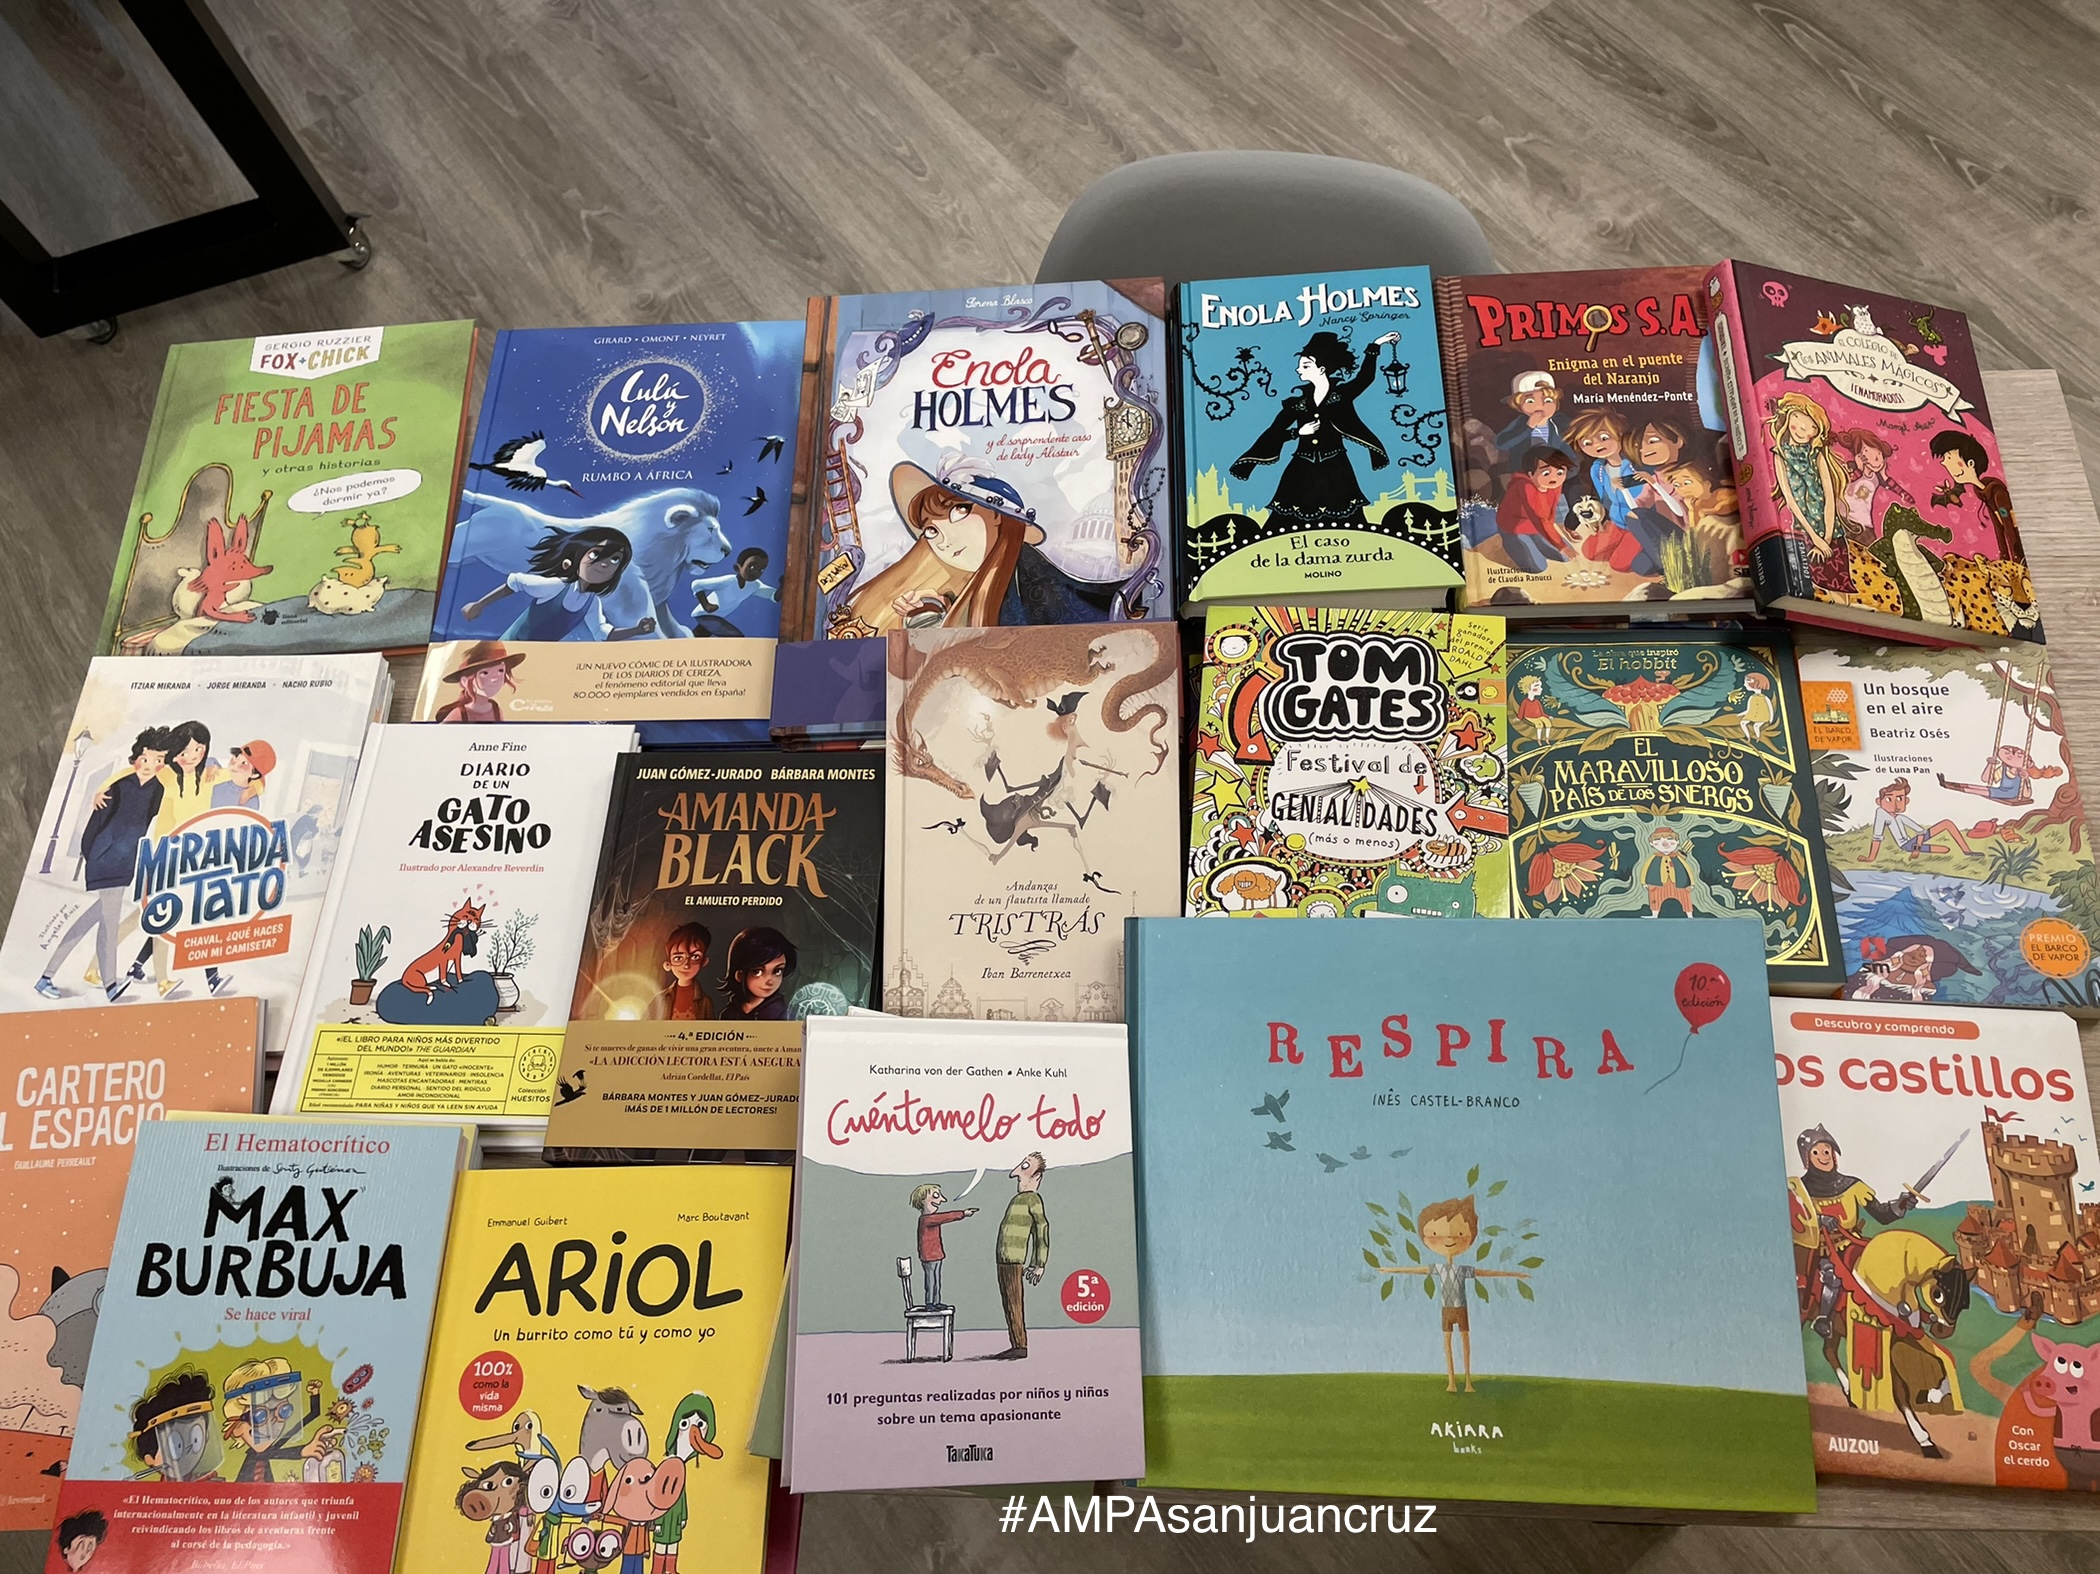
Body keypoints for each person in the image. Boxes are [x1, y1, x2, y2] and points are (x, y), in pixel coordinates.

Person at [834, 459, 1119, 634]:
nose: (944, 540)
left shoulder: (1034, 584)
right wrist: (929, 615)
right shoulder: (975, 589)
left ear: (997, 516)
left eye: (958, 512)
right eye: (931, 530)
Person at [36, 728, 168, 1002]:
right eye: (145, 759)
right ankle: (111, 986)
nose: (150, 765)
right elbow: (94, 824)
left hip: (125, 863)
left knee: (91, 920)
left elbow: (148, 821)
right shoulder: (118, 787)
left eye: (158, 760)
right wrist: (93, 855)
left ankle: (46, 977)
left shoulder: (158, 790)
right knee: (109, 923)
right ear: (136, 758)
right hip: (105, 860)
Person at [1229, 330, 1402, 527]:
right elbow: (1273, 432)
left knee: (1347, 520)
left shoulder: (1341, 395)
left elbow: (1365, 378)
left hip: (1337, 468)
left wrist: (1376, 344)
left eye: (1305, 365)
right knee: (1283, 521)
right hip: (1300, 469)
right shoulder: (1296, 403)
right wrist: (1297, 433)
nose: (1298, 370)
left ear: (1321, 368)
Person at [1377, 1195, 1528, 1392]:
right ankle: (1451, 1381)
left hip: (1461, 1309)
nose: (1449, 1239)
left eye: (1459, 1233)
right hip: (1447, 1310)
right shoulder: (1439, 1269)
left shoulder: (1462, 1270)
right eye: (1435, 1233)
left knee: (1465, 1343)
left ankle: (1468, 1381)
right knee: (1447, 1344)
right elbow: (1415, 1270)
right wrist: (1390, 1270)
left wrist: (1514, 1274)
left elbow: (1486, 1273)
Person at [1787, 1124, 1916, 1337]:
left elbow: (1881, 1214)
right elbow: (1795, 1219)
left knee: (1883, 1265)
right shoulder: (1799, 1190)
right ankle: (1824, 1318)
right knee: (1832, 1276)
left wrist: (1900, 1205)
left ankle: (1900, 1310)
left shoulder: (1852, 1185)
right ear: (1807, 1158)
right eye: (1816, 1153)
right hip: (1821, 1249)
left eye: (1827, 1151)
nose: (1824, 1156)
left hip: (1852, 1243)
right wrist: (1819, 1220)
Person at [460, 526, 658, 641]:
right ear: (578, 555)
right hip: (508, 648)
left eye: (615, 559)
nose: (604, 563)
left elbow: (603, 633)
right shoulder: (556, 587)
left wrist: (637, 630)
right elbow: (516, 582)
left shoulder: (591, 602)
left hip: (537, 659)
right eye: (596, 554)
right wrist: (479, 605)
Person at [1769, 393, 1854, 601]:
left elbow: (1829, 496)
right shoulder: (1780, 454)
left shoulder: (1817, 453)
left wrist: (1826, 538)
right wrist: (1815, 539)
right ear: (1788, 419)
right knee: (1815, 588)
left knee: (1840, 588)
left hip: (1832, 532)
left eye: (1812, 427)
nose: (1803, 430)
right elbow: (1790, 500)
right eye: (1798, 421)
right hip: (1804, 533)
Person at [221, 1359, 325, 1482]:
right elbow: (269, 1454)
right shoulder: (256, 1456)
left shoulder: (274, 1444)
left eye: (284, 1410)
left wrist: (314, 1394)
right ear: (238, 1427)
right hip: (244, 1493)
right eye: (260, 1416)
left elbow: (312, 1415)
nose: (274, 1421)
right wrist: (302, 1451)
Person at [1929, 429, 2022, 562]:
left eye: (1949, 458)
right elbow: (1999, 529)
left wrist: (2017, 560)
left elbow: (2009, 528)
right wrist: (2004, 559)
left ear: (1971, 463)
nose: (1944, 463)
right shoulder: (1983, 493)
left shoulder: (1998, 494)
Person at [991, 1154, 1050, 1359]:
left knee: (1014, 1302)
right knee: (1008, 1302)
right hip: (1004, 1259)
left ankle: (1020, 1345)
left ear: (1037, 1176)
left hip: (1014, 1260)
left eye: (1025, 1167)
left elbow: (1041, 1230)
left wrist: (1039, 1264)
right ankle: (1016, 1343)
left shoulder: (1033, 1199)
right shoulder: (1017, 1199)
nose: (1017, 1173)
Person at [1494, 447, 1574, 573]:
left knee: (1565, 557)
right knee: (1539, 567)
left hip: (1536, 528)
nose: (1554, 478)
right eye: (1546, 473)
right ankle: (1510, 543)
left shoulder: (1554, 483)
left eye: (1560, 472)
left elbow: (1549, 513)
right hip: (1514, 529)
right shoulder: (1525, 487)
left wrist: (1553, 538)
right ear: (1531, 474)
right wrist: (1561, 546)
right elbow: (1541, 519)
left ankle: (1534, 542)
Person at [1833, 428, 1913, 541]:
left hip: (1865, 525)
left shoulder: (1877, 477)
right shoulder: (1851, 468)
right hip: (1844, 520)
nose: (1876, 458)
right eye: (1866, 451)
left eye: (1879, 453)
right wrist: (1859, 470)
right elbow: (1842, 483)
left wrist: (1884, 475)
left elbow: (1906, 497)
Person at [908, 1182, 977, 1309]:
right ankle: (930, 1303)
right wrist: (963, 1213)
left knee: (936, 1280)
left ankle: (936, 1301)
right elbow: (945, 1217)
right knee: (931, 1280)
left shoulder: (930, 1219)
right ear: (922, 1201)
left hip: (937, 1255)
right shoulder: (927, 1219)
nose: (941, 1200)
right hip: (929, 1256)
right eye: (935, 1196)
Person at [1867, 777, 1973, 858]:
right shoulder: (1881, 813)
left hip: (1913, 842)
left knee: (1947, 823)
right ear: (1879, 802)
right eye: (1889, 800)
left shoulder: (1900, 817)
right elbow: (1877, 837)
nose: (1895, 805)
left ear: (1906, 801)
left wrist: (1917, 848)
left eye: (1900, 799)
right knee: (1945, 850)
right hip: (1907, 846)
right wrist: (1871, 858)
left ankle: (1967, 851)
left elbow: (1921, 832)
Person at [434, 641, 528, 722]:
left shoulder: (496, 710)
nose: (494, 679)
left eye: (500, 671)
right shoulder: (459, 713)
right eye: (485, 673)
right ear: (464, 681)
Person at [1939, 744, 2060, 805]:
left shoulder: (2021, 773)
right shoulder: (2003, 769)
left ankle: (1948, 786)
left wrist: (2026, 779)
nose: (2010, 756)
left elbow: (2027, 795)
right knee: (1976, 787)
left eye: (2017, 755)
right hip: (2000, 790)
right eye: (2008, 754)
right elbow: (1985, 779)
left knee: (1976, 790)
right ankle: (1947, 783)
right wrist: (1990, 764)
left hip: (2008, 795)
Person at [1490, 370, 1567, 465]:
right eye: (1530, 401)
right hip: (1524, 470)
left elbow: (1570, 455)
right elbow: (1501, 444)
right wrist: (1527, 428)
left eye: (1548, 400)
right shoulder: (1520, 424)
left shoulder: (1559, 425)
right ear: (1519, 405)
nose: (1540, 405)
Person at [719, 927, 795, 1020]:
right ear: (739, 975)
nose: (769, 981)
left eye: (777, 971)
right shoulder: (729, 1013)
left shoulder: (781, 1014)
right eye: (757, 972)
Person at [648, 922, 716, 1020]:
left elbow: (711, 1027)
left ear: (704, 962)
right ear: (668, 964)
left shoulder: (705, 1001)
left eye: (695, 957)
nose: (686, 965)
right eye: (678, 958)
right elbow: (644, 1025)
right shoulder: (660, 999)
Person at [691, 547, 777, 623]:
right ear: (737, 567)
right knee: (734, 634)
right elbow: (697, 584)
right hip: (704, 614)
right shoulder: (729, 581)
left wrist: (782, 586)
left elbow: (772, 595)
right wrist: (706, 605)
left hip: (719, 617)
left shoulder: (755, 585)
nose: (755, 572)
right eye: (751, 567)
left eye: (761, 570)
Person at [1639, 824, 1695, 916]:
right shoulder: (1653, 858)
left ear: (1677, 842)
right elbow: (1645, 869)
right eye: (1658, 841)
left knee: (1685, 898)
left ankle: (1689, 915)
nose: (1665, 844)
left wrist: (1691, 883)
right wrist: (1644, 882)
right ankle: (1654, 914)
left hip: (1678, 882)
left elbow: (1687, 869)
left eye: (1670, 839)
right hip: (1658, 882)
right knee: (1655, 898)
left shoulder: (1678, 858)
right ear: (1652, 843)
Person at [209, 740, 275, 807]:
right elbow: (208, 760)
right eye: (236, 756)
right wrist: (212, 765)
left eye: (244, 763)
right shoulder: (219, 782)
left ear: (254, 775)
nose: (235, 763)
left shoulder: (251, 799)